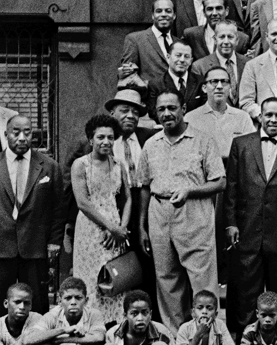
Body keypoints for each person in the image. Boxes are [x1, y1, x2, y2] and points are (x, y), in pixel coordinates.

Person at [137, 91, 226, 330]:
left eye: (172, 108)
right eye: (161, 109)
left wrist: (190, 190)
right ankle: (175, 337)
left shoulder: (203, 140)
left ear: (183, 109)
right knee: (167, 278)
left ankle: (207, 335)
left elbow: (220, 182)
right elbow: (144, 186)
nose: (167, 113)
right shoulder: (151, 144)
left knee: (202, 278)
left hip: (193, 211)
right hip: (159, 211)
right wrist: (142, 226)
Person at [223, 98, 277, 338]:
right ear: (260, 117)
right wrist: (230, 223)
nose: (273, 120)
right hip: (247, 230)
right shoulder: (241, 144)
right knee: (247, 289)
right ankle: (245, 340)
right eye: (268, 115)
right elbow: (231, 188)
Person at [0, 115, 68, 319]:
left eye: (27, 132)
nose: (22, 137)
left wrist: (54, 241)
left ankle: (37, 337)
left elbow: (58, 208)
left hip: (35, 245)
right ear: (6, 135)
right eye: (16, 132)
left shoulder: (50, 167)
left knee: (37, 302)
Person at [69, 113, 132, 328]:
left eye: (110, 137)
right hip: (91, 227)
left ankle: (115, 327)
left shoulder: (119, 165)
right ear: (90, 139)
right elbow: (83, 202)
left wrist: (122, 227)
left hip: (116, 229)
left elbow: (128, 198)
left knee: (115, 277)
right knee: (92, 277)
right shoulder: (81, 165)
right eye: (101, 137)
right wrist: (110, 227)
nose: (106, 142)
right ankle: (91, 327)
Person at [107, 87, 158, 301]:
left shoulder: (150, 138)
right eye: (124, 110)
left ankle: (147, 311)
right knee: (117, 264)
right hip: (114, 206)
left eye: (135, 112)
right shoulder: (102, 140)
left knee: (147, 260)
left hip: (145, 205)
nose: (130, 116)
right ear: (112, 113)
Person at [186, 63, 256, 159]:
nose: (219, 86)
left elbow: (252, 151)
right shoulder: (191, 119)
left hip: (235, 167)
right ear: (204, 88)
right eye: (214, 81)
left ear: (230, 87)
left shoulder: (242, 117)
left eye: (224, 82)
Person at [120, 0, 181, 94]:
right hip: (148, 99)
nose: (163, 14)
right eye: (159, 11)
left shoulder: (180, 43)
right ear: (153, 15)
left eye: (168, 11)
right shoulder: (135, 40)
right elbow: (128, 76)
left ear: (174, 16)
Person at [192, 20, 251, 95]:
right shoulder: (200, 67)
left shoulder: (249, 64)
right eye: (222, 37)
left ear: (237, 40)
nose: (226, 42)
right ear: (215, 40)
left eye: (230, 37)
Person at [186, 0, 251, 61]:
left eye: (218, 8)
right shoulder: (191, 35)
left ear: (227, 11)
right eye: (210, 9)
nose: (214, 13)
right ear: (204, 12)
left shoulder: (242, 39)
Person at [148, 40, 204, 117]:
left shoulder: (201, 81)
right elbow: (154, 113)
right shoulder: (156, 84)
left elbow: (205, 110)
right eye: (178, 55)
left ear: (191, 61)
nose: (182, 60)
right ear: (168, 57)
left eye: (186, 56)